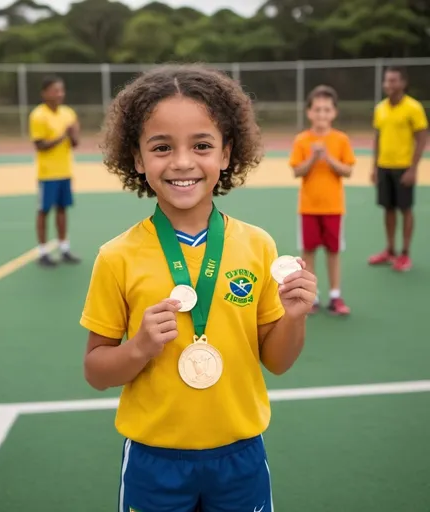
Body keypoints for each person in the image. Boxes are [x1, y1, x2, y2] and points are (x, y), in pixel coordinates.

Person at [79, 64, 317, 512]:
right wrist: (139, 349)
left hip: (240, 454)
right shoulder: (117, 257)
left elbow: (278, 361)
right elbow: (96, 372)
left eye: (202, 145)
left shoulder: (258, 246)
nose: (183, 162)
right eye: (162, 147)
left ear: (227, 154)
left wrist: (295, 317)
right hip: (155, 460)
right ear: (136, 158)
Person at [289, 85, 355, 316]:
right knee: (308, 252)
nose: (321, 115)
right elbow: (297, 171)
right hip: (308, 207)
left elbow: (347, 171)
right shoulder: (302, 140)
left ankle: (335, 296)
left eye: (326, 110)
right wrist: (312, 158)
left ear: (334, 113)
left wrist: (327, 158)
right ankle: (312, 296)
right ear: (309, 112)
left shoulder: (341, 139)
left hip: (333, 207)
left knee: (333, 251)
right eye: (317, 110)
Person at [369, 66, 428, 271]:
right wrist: (374, 167)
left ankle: (405, 253)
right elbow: (377, 138)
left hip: (404, 168)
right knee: (388, 209)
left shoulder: (413, 108)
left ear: (403, 83)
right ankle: (390, 250)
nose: (388, 84)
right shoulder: (380, 108)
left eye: (393, 81)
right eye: (386, 81)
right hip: (384, 166)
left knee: (406, 209)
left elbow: (421, 137)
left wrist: (413, 168)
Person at [29, 74, 81, 267]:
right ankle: (42, 250)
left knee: (62, 209)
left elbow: (74, 143)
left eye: (62, 90)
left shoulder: (68, 113)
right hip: (47, 173)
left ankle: (64, 248)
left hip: (65, 171)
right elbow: (40, 145)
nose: (60, 94)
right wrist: (63, 136)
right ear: (45, 93)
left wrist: (74, 134)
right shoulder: (38, 115)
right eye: (55, 90)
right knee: (44, 210)